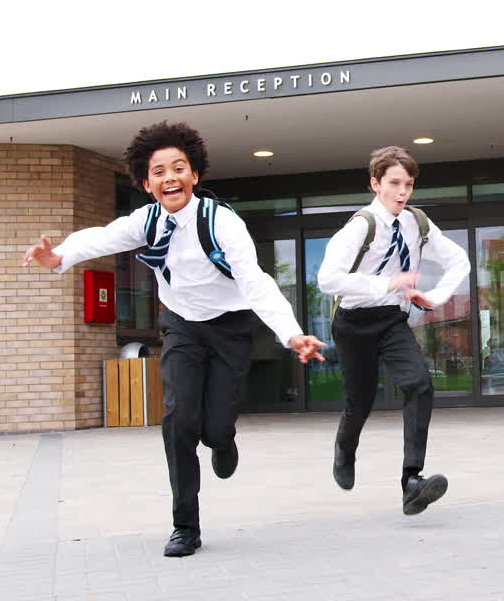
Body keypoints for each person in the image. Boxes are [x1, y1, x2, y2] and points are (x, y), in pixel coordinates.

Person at [22, 120, 326, 557]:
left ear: (195, 175)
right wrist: (58, 257)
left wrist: (292, 334)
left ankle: (222, 441)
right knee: (179, 420)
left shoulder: (221, 223)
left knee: (215, 425)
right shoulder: (145, 222)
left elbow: (256, 281)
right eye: (159, 172)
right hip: (182, 324)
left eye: (178, 168)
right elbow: (99, 239)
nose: (170, 178)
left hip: (229, 326)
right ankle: (185, 525)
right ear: (147, 184)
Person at [317, 146, 470, 515]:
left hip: (391, 321)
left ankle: (411, 482)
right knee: (361, 401)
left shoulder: (417, 223)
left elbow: (458, 261)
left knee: (420, 384)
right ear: (376, 184)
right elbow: (327, 279)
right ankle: (344, 449)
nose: (402, 192)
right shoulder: (361, 226)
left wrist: (432, 297)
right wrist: (385, 284)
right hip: (353, 323)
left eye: (409, 184)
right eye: (394, 183)